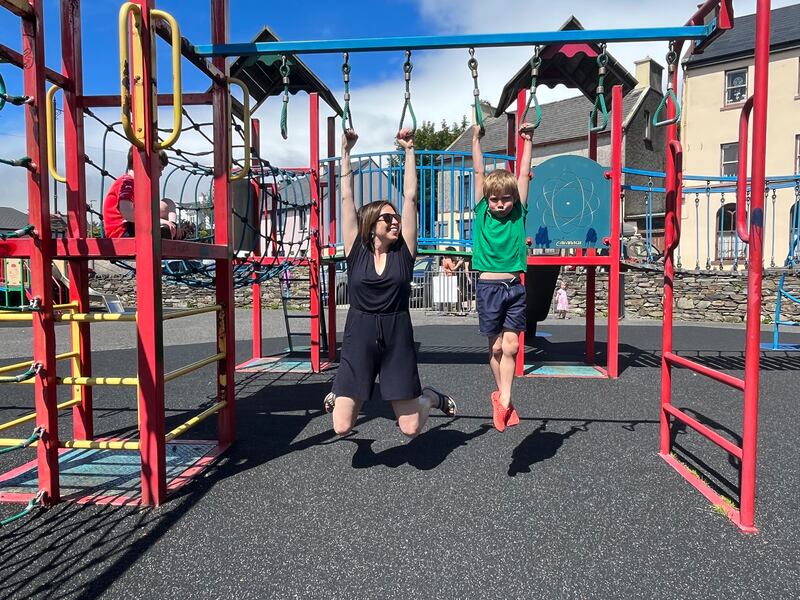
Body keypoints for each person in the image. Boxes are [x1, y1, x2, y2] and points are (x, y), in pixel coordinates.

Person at [323, 127, 456, 438]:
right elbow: (346, 195)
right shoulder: (355, 250)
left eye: (396, 218)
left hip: (397, 335)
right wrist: (345, 152)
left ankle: (431, 397)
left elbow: (410, 196)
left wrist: (409, 150)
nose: (395, 221)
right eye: (388, 218)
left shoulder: (404, 252)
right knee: (342, 427)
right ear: (371, 225)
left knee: (409, 428)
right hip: (359, 334)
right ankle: (341, 389)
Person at [471, 122, 533, 432]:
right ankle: (500, 395)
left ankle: (506, 397)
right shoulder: (482, 209)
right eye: (495, 199)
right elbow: (480, 172)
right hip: (488, 286)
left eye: (505, 199)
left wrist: (528, 142)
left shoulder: (519, 213)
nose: (500, 203)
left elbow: (522, 175)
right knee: (495, 348)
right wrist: (475, 140)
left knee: (512, 347)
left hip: (514, 285)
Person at [103, 147, 184, 240]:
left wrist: (171, 223)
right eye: (159, 168)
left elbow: (164, 206)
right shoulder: (127, 182)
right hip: (122, 231)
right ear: (143, 163)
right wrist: (158, 221)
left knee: (167, 203)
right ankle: (167, 230)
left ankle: (172, 229)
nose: (160, 174)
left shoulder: (139, 186)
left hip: (133, 226)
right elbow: (127, 213)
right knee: (160, 231)